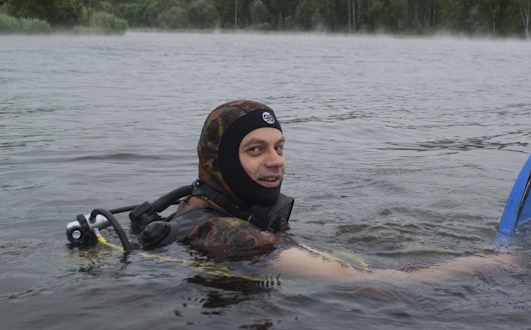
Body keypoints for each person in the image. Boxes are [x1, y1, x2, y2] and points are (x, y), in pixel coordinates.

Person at [144, 100, 511, 281]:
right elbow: (368, 284)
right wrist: (485, 264)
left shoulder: (211, 207)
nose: (276, 161)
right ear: (221, 161)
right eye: (255, 150)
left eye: (280, 147)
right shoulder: (224, 232)